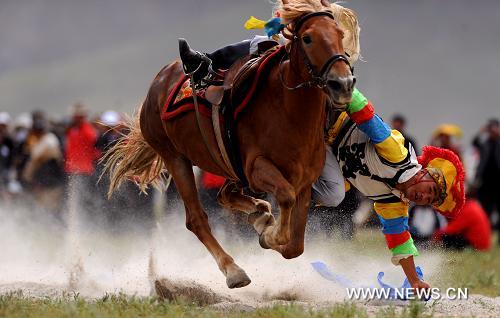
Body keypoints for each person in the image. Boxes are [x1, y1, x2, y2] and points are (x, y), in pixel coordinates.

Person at [472, 118, 500, 239]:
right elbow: (474, 142)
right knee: (485, 210)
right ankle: (485, 235)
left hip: (498, 182)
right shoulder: (485, 143)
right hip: (485, 183)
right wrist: (481, 132)